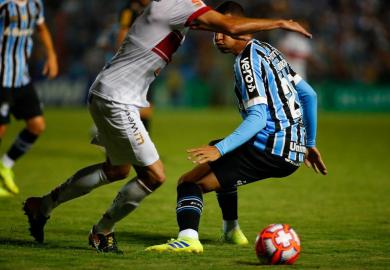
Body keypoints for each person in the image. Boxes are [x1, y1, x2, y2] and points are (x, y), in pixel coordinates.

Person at [23, 0, 312, 253]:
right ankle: (102, 231)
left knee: (117, 169)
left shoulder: (181, 10)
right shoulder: (178, 5)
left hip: (113, 94)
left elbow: (223, 24)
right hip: (117, 99)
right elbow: (228, 24)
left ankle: (43, 206)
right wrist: (280, 22)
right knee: (155, 176)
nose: (218, 36)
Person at [145, 1, 327, 254]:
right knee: (219, 153)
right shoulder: (268, 51)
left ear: (245, 30)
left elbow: (258, 118)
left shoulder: (246, 63)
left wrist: (220, 150)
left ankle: (188, 239)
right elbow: (309, 95)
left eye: (225, 30)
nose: (218, 37)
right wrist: (309, 144)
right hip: (292, 149)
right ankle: (231, 231)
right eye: (216, 31)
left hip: (270, 148)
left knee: (188, 183)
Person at [0, 0, 58, 197]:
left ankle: (5, 165)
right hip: (1, 78)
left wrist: (51, 55)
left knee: (37, 125)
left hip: (21, 78)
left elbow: (41, 29)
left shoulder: (35, 4)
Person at [117, 0, 153, 131]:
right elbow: (123, 31)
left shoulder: (155, 6)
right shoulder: (129, 9)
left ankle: (142, 143)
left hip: (149, 61)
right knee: (135, 104)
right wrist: (122, 58)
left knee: (147, 105)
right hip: (133, 62)